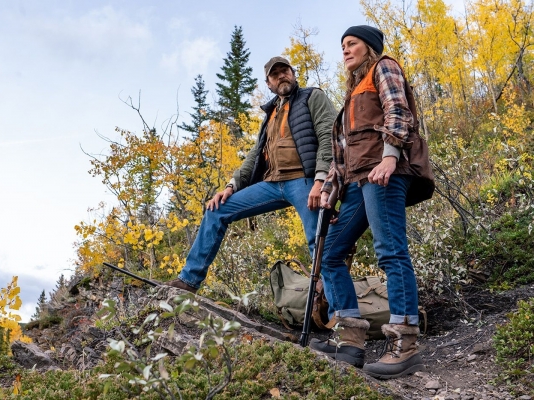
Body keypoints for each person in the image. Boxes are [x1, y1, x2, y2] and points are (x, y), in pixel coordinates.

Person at [309, 25, 427, 379]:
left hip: (384, 172)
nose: (345, 50)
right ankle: (351, 339)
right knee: (330, 254)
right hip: (359, 182)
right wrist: (330, 192)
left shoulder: (384, 67)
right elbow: (342, 155)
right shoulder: (351, 93)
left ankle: (404, 345)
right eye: (342, 45)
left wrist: (390, 156)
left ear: (369, 47)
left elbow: (398, 110)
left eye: (352, 43)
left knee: (390, 250)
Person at [166, 56, 336, 294]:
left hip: (305, 180)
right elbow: (255, 155)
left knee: (319, 241)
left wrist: (321, 181)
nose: (281, 76)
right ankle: (188, 281)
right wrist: (231, 186)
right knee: (217, 209)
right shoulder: (270, 115)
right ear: (268, 83)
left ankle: (335, 313)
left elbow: (329, 136)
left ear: (293, 73)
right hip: (273, 183)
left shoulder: (312, 97)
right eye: (275, 75)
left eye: (284, 71)